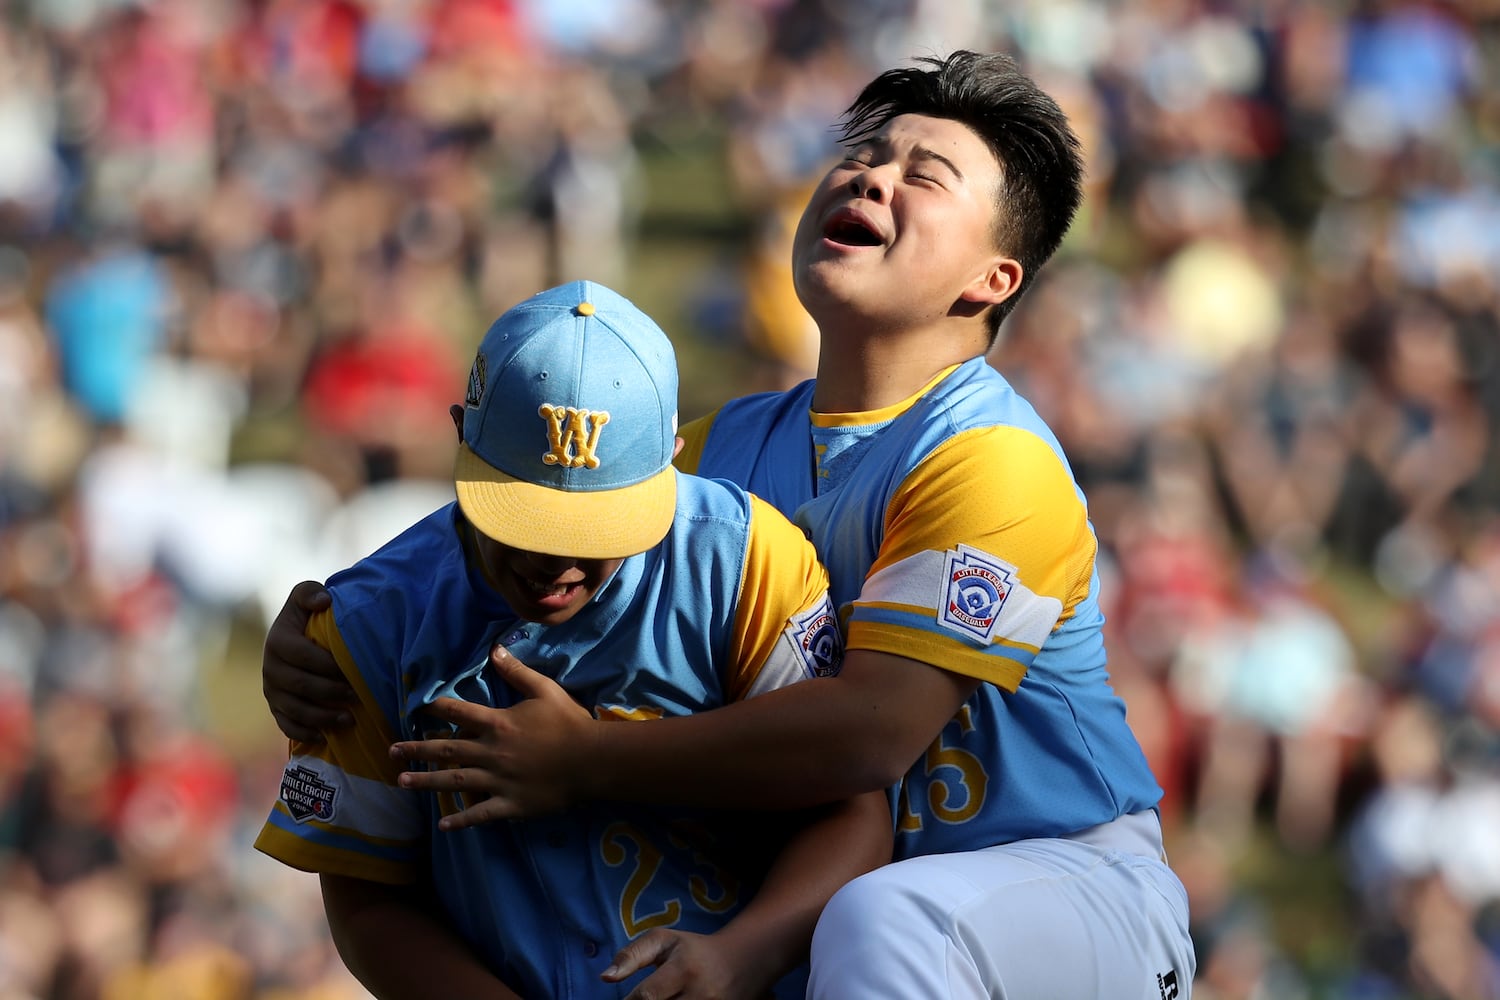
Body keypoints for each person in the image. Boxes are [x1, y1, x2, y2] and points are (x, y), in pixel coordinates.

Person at [265, 52, 1198, 998]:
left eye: (925, 176)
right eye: (865, 155)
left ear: (994, 278)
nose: (872, 175)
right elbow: (510, 518)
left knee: (881, 922)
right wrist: (326, 632)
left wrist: (590, 761)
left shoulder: (993, 457)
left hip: (1069, 891)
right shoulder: (721, 450)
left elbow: (869, 737)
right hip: (860, 922)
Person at [253, 280, 892, 1000]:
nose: (557, 563)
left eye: (597, 530)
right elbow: (367, 900)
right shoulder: (367, 625)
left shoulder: (746, 566)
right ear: (460, 432)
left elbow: (850, 806)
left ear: (672, 460)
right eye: (524, 520)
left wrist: (744, 955)